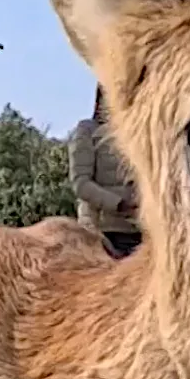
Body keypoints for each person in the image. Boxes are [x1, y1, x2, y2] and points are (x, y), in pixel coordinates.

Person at [68, 87, 142, 257]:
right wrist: (119, 204)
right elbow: (81, 184)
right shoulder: (87, 130)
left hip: (140, 230)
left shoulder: (138, 134)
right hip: (101, 232)